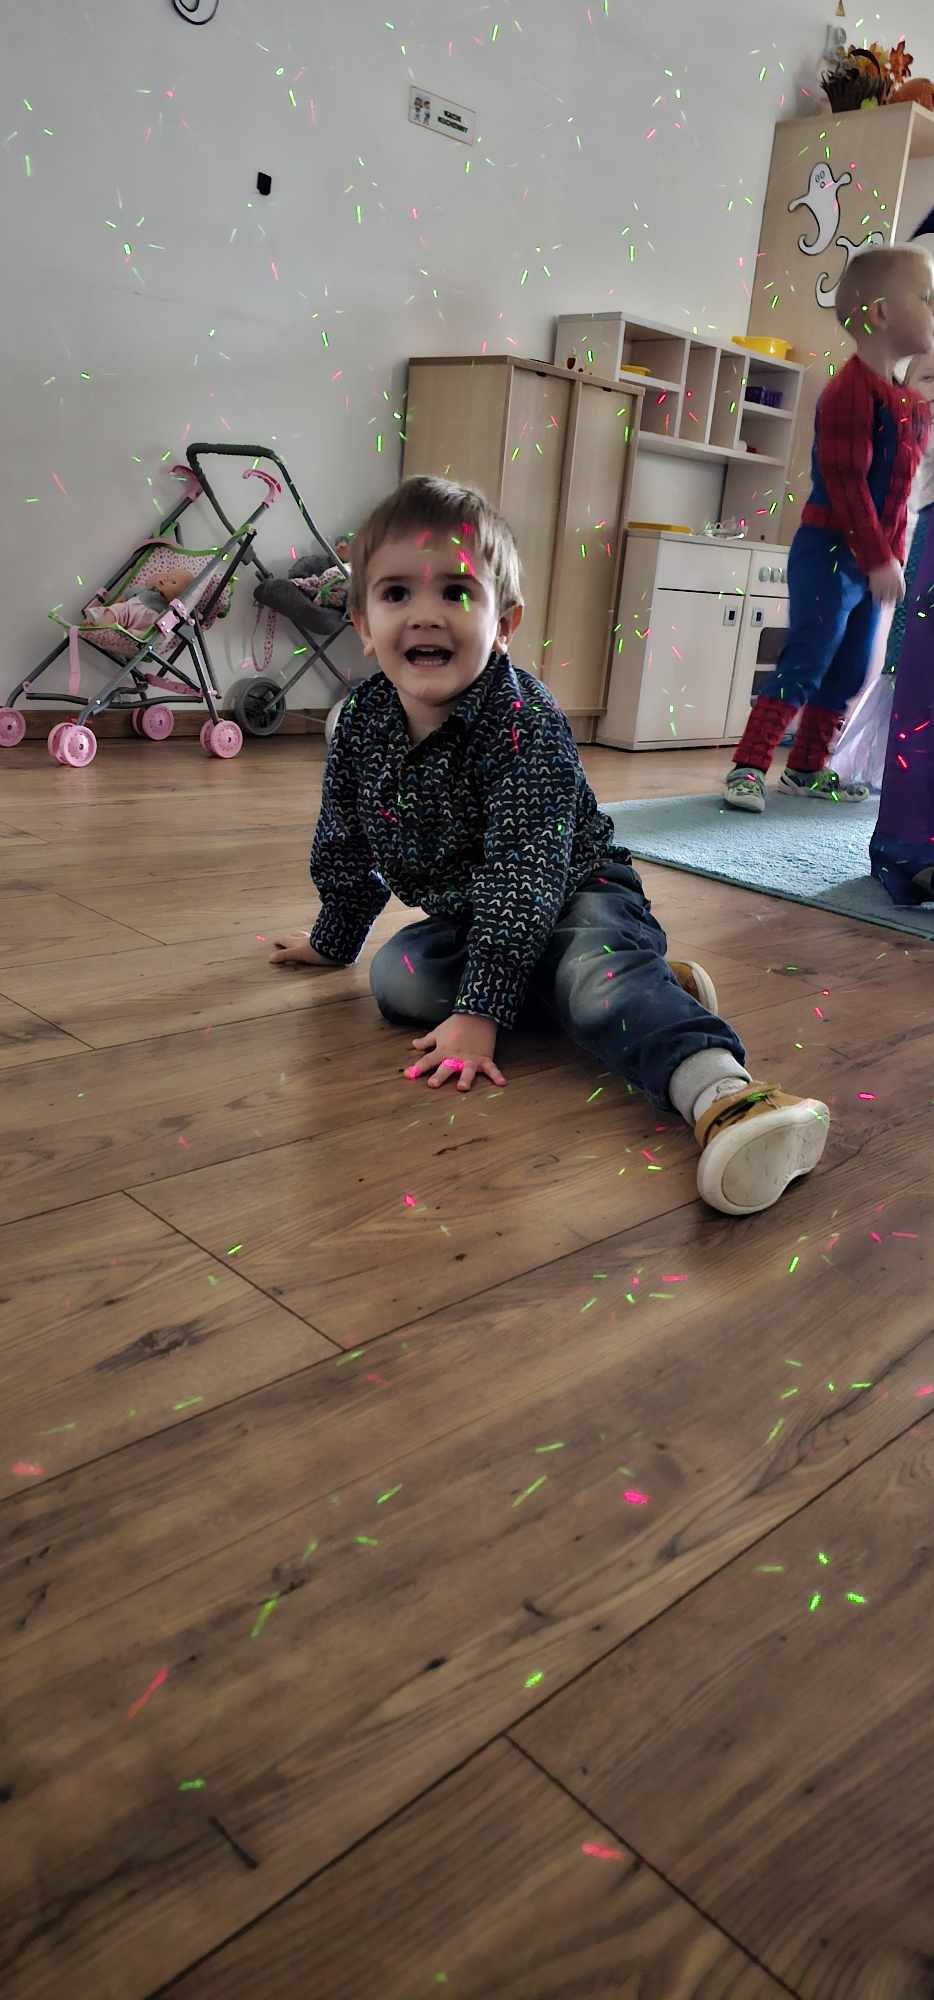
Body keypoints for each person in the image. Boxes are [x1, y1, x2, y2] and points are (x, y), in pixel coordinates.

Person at [270, 475, 830, 1216]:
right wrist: (335, 936)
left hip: (578, 891)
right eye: (397, 593)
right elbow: (344, 836)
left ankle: (728, 1096)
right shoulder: (360, 723)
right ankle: (637, 987)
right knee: (400, 979)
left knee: (590, 977)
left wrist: (481, 1011)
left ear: (504, 622)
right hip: (480, 916)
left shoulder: (523, 721)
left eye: (457, 593)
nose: (425, 615)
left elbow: (524, 874)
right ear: (364, 623)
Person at [724, 244, 934, 813]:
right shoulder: (849, 393)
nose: (933, 309)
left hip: (870, 560)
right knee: (810, 654)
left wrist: (891, 556)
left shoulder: (905, 402)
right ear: (883, 313)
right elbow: (846, 484)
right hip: (832, 551)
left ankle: (806, 768)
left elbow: (901, 492)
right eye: (925, 297)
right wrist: (880, 558)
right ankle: (748, 764)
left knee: (852, 667)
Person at [834, 347, 934, 790]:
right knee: (904, 651)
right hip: (919, 543)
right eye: (928, 378)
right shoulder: (907, 430)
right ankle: (886, 761)